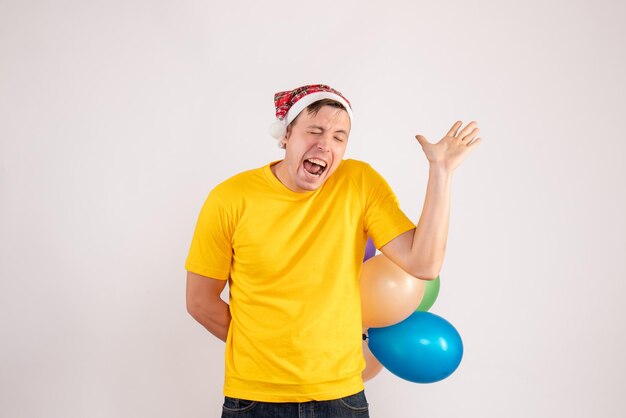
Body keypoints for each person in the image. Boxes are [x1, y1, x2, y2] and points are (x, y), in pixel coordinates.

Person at [185, 84, 480, 417]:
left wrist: (440, 172)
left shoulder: (358, 182)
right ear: (285, 136)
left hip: (341, 399)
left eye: (339, 137)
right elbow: (200, 301)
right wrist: (262, 352)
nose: (326, 145)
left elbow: (423, 264)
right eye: (315, 130)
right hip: (254, 400)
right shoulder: (229, 199)